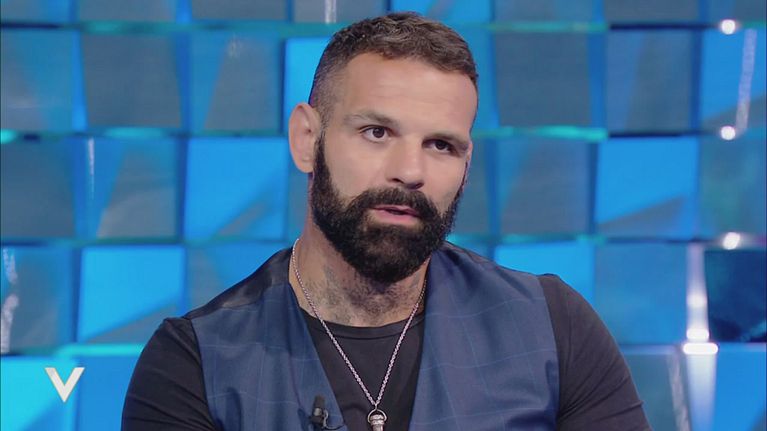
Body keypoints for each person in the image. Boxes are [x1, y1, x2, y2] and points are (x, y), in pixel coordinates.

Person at [123, 12, 650, 431]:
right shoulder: (196, 362)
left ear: (466, 166)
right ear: (307, 140)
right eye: (376, 133)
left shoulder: (551, 328)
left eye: (440, 145)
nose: (410, 171)